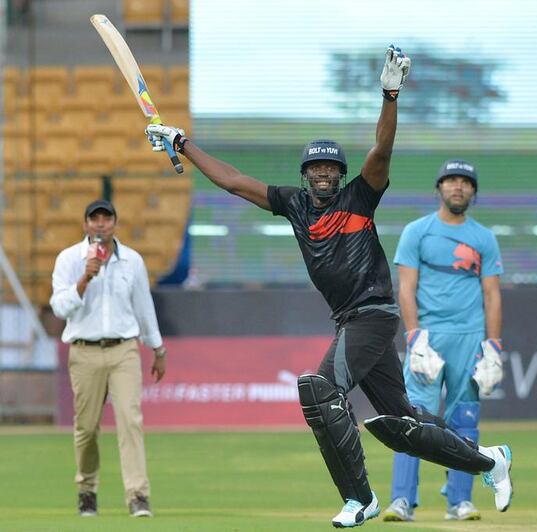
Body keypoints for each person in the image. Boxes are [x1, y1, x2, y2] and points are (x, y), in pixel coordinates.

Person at [144, 45, 512, 528]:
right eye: (316, 169)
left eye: (331, 169)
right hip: (352, 320)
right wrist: (183, 143)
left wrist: (390, 94)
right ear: (305, 175)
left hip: (374, 313)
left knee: (319, 391)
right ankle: (491, 460)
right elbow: (233, 181)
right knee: (401, 426)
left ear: (340, 176)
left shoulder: (360, 197)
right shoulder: (295, 206)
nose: (323, 174)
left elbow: (381, 149)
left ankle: (360, 498)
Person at [383, 160, 504, 522]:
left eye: (465, 182)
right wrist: (415, 336)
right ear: (439, 188)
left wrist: (494, 348)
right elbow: (406, 287)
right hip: (428, 340)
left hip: (469, 339)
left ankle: (460, 501)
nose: (457, 187)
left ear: (473, 192)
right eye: (451, 181)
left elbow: (492, 295)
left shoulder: (484, 238)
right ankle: (402, 501)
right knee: (412, 422)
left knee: (465, 420)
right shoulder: (417, 232)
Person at [50, 199, 167, 518]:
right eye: (94, 219)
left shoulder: (132, 260)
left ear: (115, 223)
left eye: (106, 219)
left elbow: (144, 307)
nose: (100, 224)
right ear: (85, 224)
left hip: (123, 349)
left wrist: (157, 348)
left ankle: (138, 495)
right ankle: (87, 490)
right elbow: (60, 308)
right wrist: (85, 278)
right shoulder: (69, 259)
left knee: (130, 420)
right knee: (86, 428)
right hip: (84, 350)